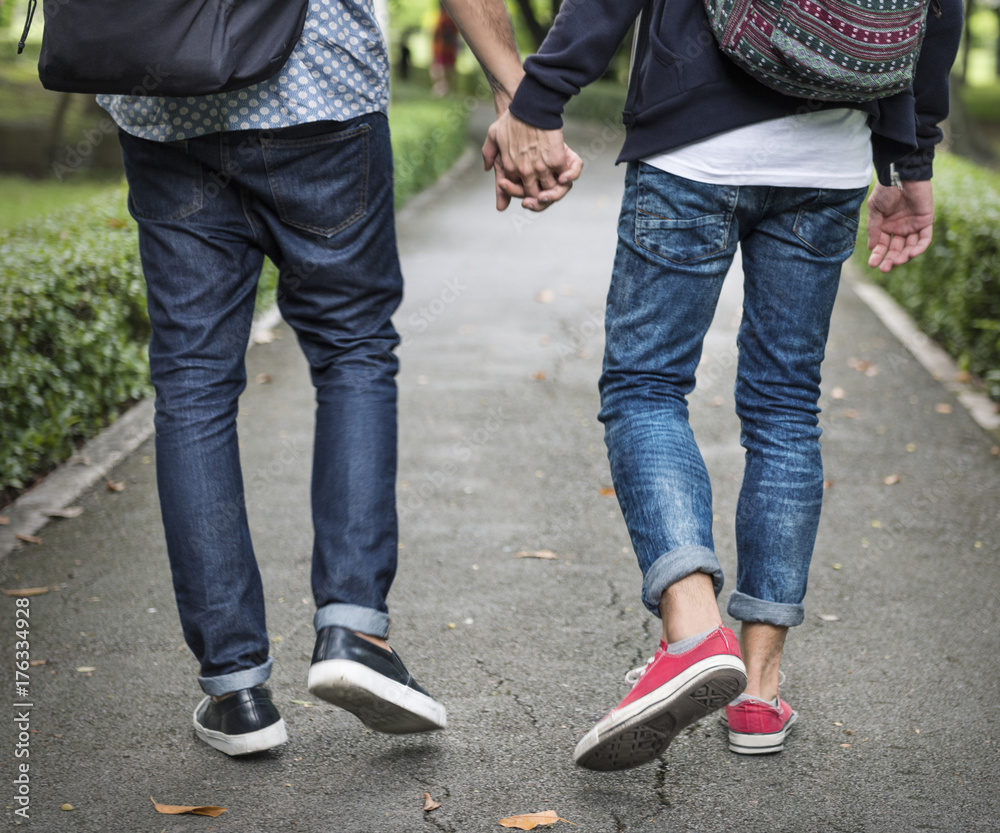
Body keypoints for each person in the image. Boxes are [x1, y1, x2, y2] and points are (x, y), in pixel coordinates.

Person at [484, 0, 963, 769]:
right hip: (831, 153)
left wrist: (540, 99)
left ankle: (694, 631)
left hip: (692, 145)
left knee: (645, 386)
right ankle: (760, 690)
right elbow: (937, 11)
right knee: (784, 407)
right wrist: (912, 159)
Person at [97, 0, 577, 757]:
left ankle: (237, 689)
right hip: (318, 89)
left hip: (166, 101)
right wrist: (517, 89)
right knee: (352, 350)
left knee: (192, 381)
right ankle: (353, 629)